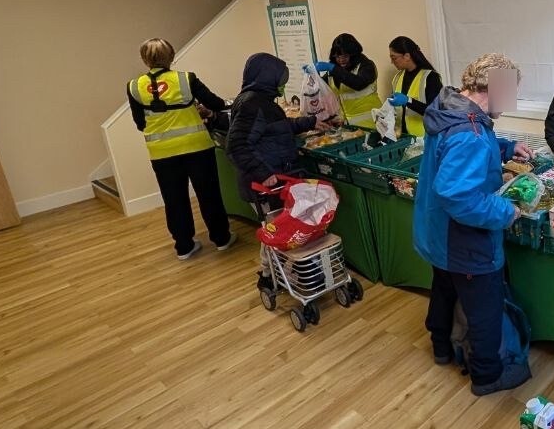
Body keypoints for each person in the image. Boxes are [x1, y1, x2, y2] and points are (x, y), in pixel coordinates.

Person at [413, 53, 533, 397]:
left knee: (444, 290)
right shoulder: (472, 134)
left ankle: (440, 347)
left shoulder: (449, 109)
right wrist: (504, 211)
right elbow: (460, 197)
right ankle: (487, 376)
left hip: (437, 235)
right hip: (465, 242)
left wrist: (505, 146)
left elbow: (458, 146)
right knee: (484, 310)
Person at [126, 38, 235, 260]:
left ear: (144, 59)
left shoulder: (134, 87)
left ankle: (184, 246)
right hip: (196, 148)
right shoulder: (186, 79)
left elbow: (140, 124)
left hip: (162, 153)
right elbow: (217, 103)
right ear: (171, 56)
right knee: (209, 194)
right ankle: (221, 238)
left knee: (174, 199)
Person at [226, 52, 323, 205]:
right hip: (267, 184)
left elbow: (275, 127)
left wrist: (309, 122)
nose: (283, 84)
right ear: (268, 78)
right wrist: (263, 173)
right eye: (280, 80)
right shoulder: (253, 104)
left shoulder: (260, 100)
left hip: (276, 177)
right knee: (276, 226)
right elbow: (236, 145)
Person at [315, 33, 379, 129]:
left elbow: (358, 83)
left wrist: (333, 68)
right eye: (337, 57)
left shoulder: (366, 66)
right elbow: (320, 87)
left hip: (372, 124)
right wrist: (312, 74)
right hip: (348, 126)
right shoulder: (334, 70)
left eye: (345, 56)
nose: (341, 60)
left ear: (353, 54)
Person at [387, 36, 442, 138]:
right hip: (403, 137)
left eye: (394, 58)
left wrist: (408, 100)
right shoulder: (397, 78)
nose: (392, 62)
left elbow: (435, 111)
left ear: (407, 56)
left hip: (424, 137)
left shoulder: (430, 77)